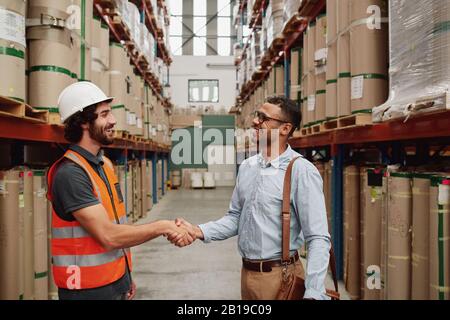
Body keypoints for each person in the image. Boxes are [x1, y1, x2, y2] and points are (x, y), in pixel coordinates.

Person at [171, 96, 332, 300]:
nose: (255, 121)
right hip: (247, 275)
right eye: (257, 115)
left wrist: (314, 292)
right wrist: (197, 231)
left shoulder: (301, 171)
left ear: (284, 129)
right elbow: (236, 217)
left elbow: (317, 237)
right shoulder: (248, 167)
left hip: (282, 278)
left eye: (263, 118)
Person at [47, 82, 194, 300]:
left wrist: (125, 277)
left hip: (115, 282)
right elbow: (108, 236)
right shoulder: (71, 174)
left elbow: (118, 223)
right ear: (84, 122)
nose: (113, 120)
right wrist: (163, 226)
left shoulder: (104, 164)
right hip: (87, 291)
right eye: (104, 114)